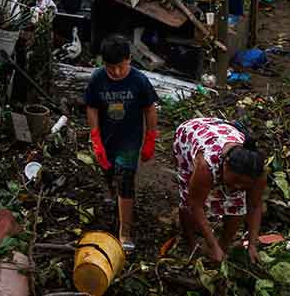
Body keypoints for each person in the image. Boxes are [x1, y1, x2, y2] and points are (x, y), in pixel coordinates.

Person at [85, 35, 159, 252]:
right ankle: (110, 189)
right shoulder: (97, 79)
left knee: (126, 180)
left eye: (120, 66)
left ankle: (125, 231)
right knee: (108, 171)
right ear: (103, 63)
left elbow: (149, 107)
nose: (116, 72)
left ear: (129, 60)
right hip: (108, 138)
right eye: (111, 67)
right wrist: (95, 137)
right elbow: (92, 106)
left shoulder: (139, 80)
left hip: (130, 140)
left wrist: (151, 138)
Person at [173, 118, 266, 263]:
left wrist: (252, 244)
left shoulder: (258, 171)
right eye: (235, 180)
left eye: (245, 184)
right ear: (225, 165)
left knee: (237, 204)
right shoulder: (206, 165)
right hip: (190, 134)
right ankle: (190, 241)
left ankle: (223, 245)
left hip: (221, 132)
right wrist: (211, 244)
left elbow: (254, 205)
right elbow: (195, 205)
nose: (238, 186)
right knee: (188, 197)